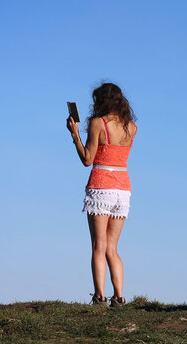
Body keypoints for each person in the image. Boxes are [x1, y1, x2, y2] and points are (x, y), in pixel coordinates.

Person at [66, 82, 137, 307]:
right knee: (113, 248)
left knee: (98, 246)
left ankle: (99, 296)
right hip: (123, 190)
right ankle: (119, 297)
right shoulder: (131, 128)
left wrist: (75, 134)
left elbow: (88, 159)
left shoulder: (98, 124)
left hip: (101, 187)